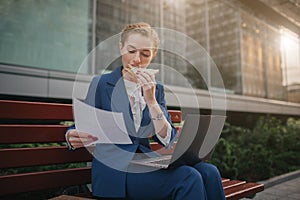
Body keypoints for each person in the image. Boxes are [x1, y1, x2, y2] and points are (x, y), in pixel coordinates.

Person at [66, 22, 225, 200]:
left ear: (153, 55)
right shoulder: (101, 84)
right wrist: (71, 134)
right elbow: (82, 123)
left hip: (146, 162)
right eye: (131, 51)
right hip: (115, 172)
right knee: (188, 177)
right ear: (121, 48)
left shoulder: (156, 89)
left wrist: (151, 100)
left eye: (145, 53)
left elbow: (168, 138)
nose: (137, 59)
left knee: (209, 171)